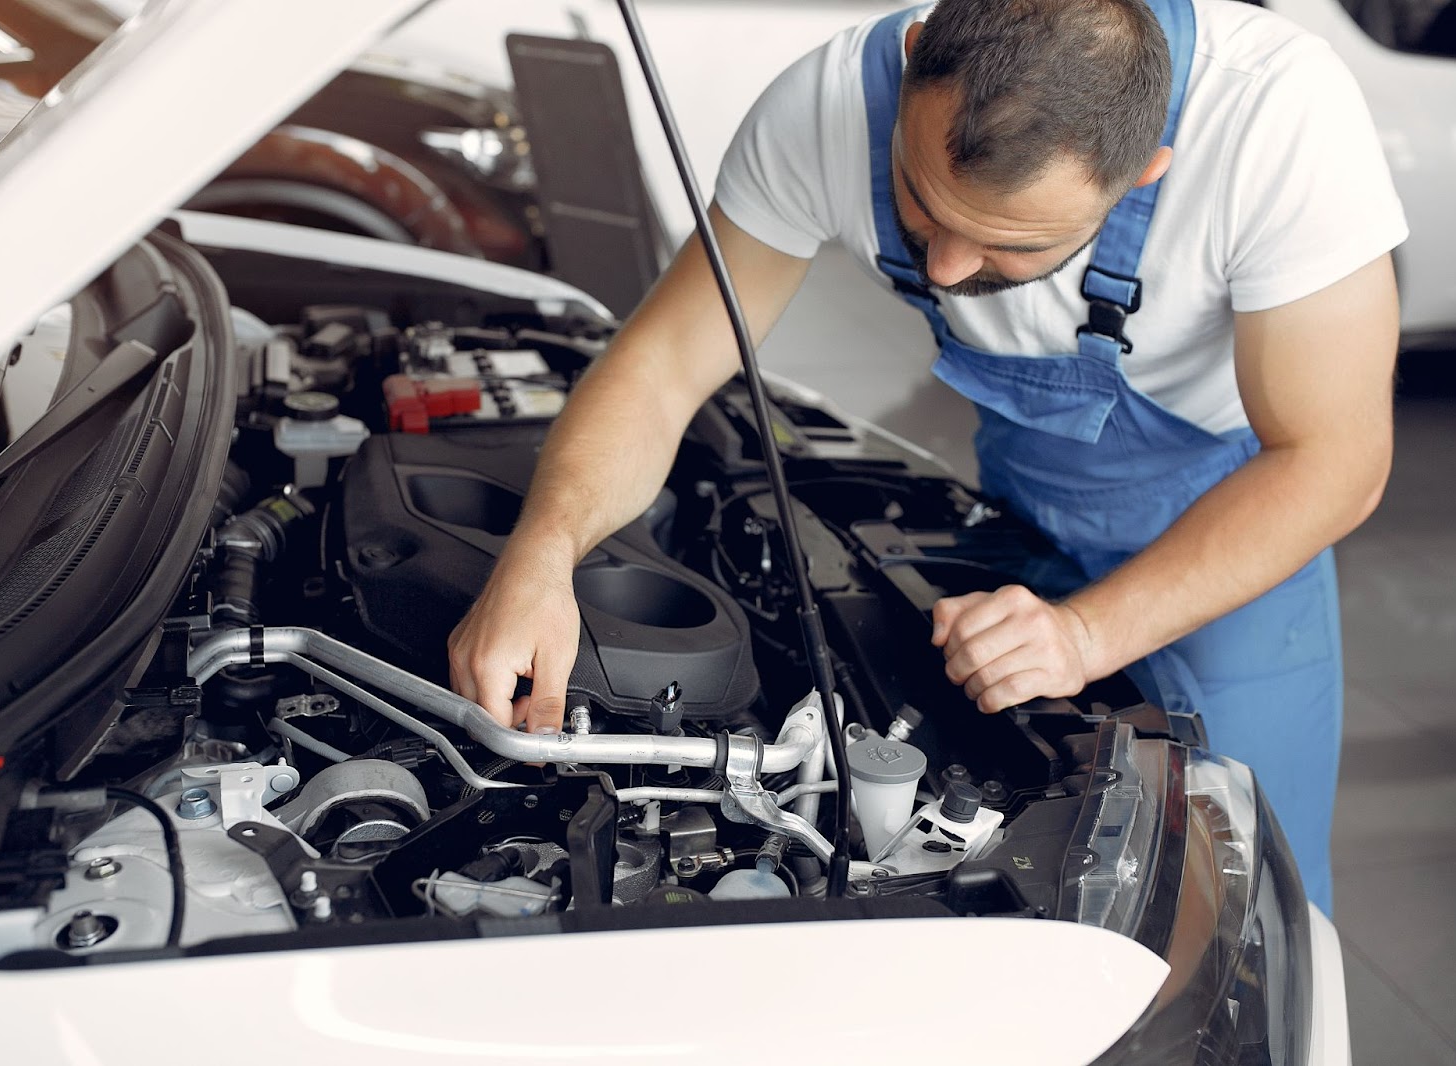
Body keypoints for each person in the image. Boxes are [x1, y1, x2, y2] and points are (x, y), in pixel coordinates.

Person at [447, 0, 1406, 913]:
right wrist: (543, 553)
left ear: (1144, 175)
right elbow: (660, 367)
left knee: (1232, 874)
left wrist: (1084, 636)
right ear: (913, 61)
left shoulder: (1278, 120)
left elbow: (1334, 458)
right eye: (920, 201)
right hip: (1028, 498)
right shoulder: (824, 103)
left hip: (1244, 525)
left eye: (1009, 243)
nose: (945, 269)